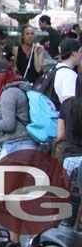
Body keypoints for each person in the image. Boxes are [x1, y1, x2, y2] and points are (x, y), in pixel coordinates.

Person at [0, 64, 37, 157]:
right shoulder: (20, 88)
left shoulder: (9, 93)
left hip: (16, 145)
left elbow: (9, 125)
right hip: (28, 144)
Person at [56, 73, 82, 228]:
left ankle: (66, 230)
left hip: (70, 158)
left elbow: (60, 135)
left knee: (69, 200)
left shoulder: (67, 105)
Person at [52, 39, 82, 108]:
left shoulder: (56, 69)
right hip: (66, 117)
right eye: (81, 52)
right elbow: (69, 105)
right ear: (73, 53)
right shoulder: (69, 75)